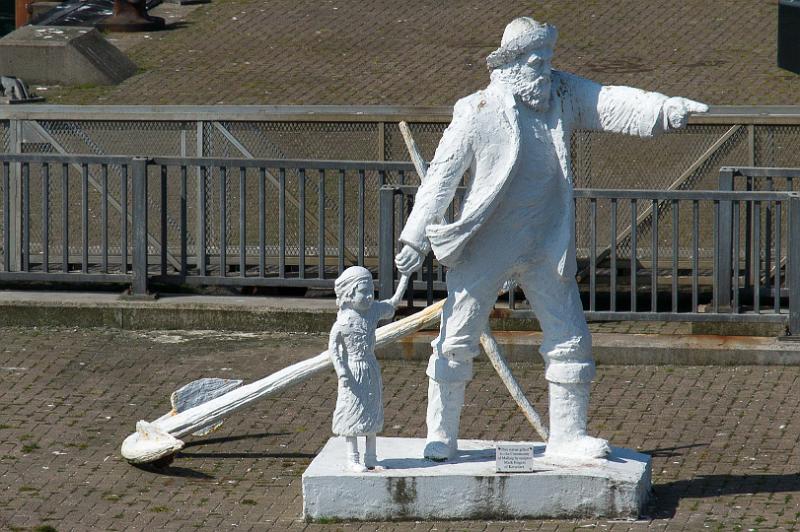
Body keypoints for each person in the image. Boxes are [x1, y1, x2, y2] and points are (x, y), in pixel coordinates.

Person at [395, 16, 708, 461]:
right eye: (536, 60)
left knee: (570, 337)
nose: (544, 69)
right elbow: (442, 178)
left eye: (547, 60)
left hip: (545, 241)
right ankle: (441, 435)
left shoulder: (560, 93)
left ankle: (567, 436)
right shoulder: (478, 110)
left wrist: (663, 110)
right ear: (511, 63)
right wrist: (414, 238)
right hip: (487, 242)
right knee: (457, 337)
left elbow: (607, 102)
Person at [329, 266, 397, 471]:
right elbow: (334, 348)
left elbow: (391, 307)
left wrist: (404, 280)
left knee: (372, 410)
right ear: (349, 294)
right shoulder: (344, 321)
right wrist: (341, 371)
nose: (369, 296)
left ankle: (371, 456)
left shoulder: (373, 311)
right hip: (353, 371)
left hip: (370, 369)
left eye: (371, 292)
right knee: (352, 410)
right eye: (363, 292)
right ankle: (353, 457)